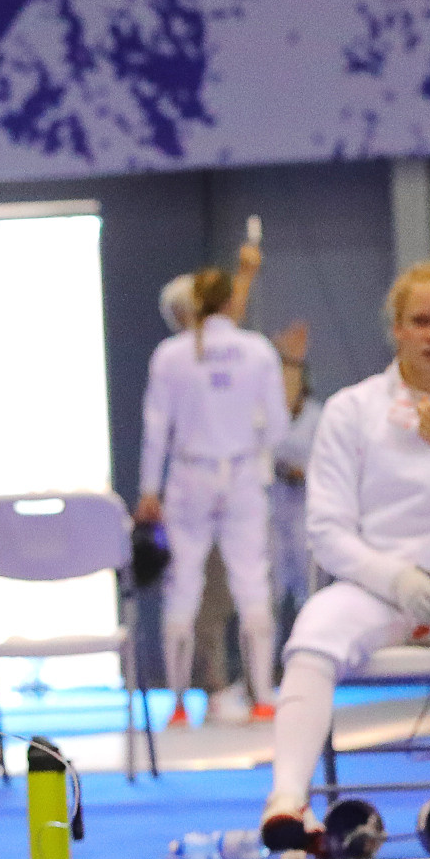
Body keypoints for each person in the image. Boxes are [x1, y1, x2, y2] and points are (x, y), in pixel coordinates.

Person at [262, 261, 430, 852]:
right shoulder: (352, 409)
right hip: (373, 583)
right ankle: (288, 802)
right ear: (396, 328)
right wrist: (395, 579)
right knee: (313, 631)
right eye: (420, 321)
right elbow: (328, 530)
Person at [137, 264, 289, 727]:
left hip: (189, 476)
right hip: (241, 473)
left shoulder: (170, 355)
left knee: (183, 584)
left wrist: (149, 488)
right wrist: (254, 453)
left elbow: (156, 427)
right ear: (228, 302)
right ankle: (263, 698)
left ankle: (179, 705)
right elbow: (277, 426)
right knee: (252, 581)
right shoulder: (257, 350)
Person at [271, 321, 321, 635]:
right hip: (273, 512)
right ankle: (267, 658)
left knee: (308, 589)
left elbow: (326, 466)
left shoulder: (318, 415)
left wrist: (301, 472)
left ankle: (310, 643)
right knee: (270, 592)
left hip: (305, 512)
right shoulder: (265, 419)